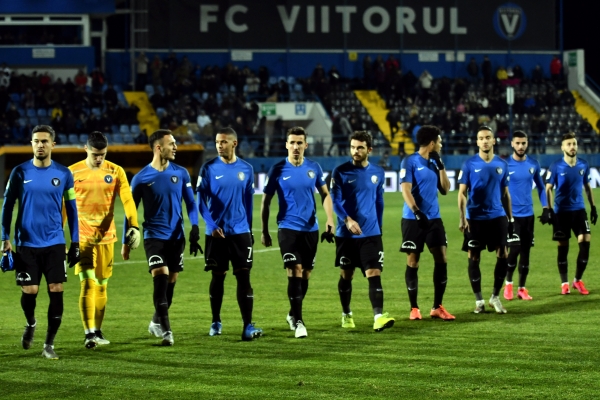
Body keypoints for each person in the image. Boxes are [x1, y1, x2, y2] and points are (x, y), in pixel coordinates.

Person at [1, 125, 80, 359]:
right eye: (36, 141)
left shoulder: (64, 174)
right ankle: (31, 323)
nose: (40, 145)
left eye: (44, 141)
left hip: (55, 242)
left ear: (53, 144)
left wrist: (75, 243)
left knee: (56, 288)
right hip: (26, 243)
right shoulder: (19, 172)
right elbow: (7, 207)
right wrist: (5, 237)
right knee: (30, 290)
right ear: (31, 144)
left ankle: (49, 344)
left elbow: (72, 210)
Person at [126, 129, 202, 346]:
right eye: (172, 144)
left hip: (176, 237)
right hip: (153, 237)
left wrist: (195, 227)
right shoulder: (141, 178)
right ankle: (167, 332)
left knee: (171, 282)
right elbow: (131, 212)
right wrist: (125, 242)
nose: (176, 147)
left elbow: (191, 203)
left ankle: (155, 321)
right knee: (161, 275)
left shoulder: (181, 173)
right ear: (159, 148)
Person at [261, 126, 335, 338]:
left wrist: (330, 219)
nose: (295, 147)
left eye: (299, 143)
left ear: (305, 145)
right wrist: (265, 230)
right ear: (286, 145)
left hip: (311, 229)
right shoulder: (277, 169)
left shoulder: (314, 168)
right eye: (292, 142)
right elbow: (266, 201)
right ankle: (300, 322)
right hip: (287, 228)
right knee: (295, 270)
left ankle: (293, 313)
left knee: (306, 274)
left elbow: (325, 195)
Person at [68, 132, 140, 348]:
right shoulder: (72, 172)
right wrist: (61, 237)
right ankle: (88, 333)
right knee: (87, 283)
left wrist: (134, 224)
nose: (99, 158)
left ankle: (97, 331)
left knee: (101, 286)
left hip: (107, 238)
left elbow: (127, 199)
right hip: (83, 238)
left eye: (103, 154)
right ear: (86, 149)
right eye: (95, 154)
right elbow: (64, 207)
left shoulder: (115, 171)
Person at [196, 127, 262, 341]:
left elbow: (249, 202)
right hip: (216, 233)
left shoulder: (246, 169)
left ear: (234, 143)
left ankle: (248, 325)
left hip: (240, 232)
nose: (219, 145)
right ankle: (215, 320)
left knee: (244, 275)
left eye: (223, 142)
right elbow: (201, 202)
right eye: (217, 142)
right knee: (218, 275)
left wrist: (249, 229)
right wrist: (212, 225)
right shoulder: (208, 168)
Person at [330, 131, 395, 331]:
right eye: (353, 147)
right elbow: (335, 201)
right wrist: (347, 220)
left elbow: (379, 201)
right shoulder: (340, 172)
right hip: (346, 235)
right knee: (346, 275)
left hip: (371, 233)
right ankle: (346, 313)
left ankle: (378, 317)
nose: (355, 151)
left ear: (369, 150)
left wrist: (379, 226)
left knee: (374, 272)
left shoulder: (378, 172)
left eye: (360, 147)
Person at [399, 126, 454, 321]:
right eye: (439, 141)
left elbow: (445, 189)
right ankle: (414, 308)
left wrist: (441, 166)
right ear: (432, 143)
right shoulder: (410, 161)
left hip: (434, 218)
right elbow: (405, 189)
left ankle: (437, 307)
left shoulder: (435, 162)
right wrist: (416, 211)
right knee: (413, 260)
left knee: (442, 257)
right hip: (413, 218)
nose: (441, 144)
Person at [458, 126, 514, 314]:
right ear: (477, 142)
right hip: (475, 218)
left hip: (497, 216)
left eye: (488, 137)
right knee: (474, 256)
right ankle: (479, 300)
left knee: (503, 254)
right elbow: (462, 193)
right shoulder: (469, 164)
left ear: (493, 140)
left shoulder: (502, 164)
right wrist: (462, 217)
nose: (484, 141)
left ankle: (495, 297)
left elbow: (506, 194)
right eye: (481, 138)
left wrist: (511, 219)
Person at [541, 132, 597, 295]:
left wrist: (593, 207)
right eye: (569, 144)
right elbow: (548, 188)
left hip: (579, 211)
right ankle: (564, 283)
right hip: (561, 213)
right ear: (563, 147)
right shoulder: (556, 166)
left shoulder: (583, 165)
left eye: (574, 144)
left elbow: (587, 187)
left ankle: (577, 280)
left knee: (585, 242)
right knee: (563, 248)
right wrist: (549, 210)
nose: (572, 147)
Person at [502, 131, 549, 301]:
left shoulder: (533, 164)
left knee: (526, 253)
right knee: (514, 250)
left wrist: (546, 208)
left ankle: (522, 288)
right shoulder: (505, 165)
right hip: (512, 216)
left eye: (523, 143)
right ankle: (508, 284)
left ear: (527, 143)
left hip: (528, 216)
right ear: (512, 144)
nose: (521, 146)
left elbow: (541, 188)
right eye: (518, 143)